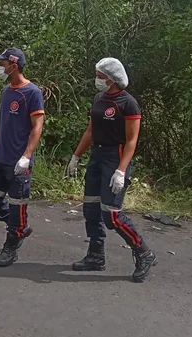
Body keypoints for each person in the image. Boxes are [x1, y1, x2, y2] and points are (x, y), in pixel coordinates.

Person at [66, 57, 157, 282]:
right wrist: (76, 156)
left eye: (100, 76)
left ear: (112, 79)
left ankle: (143, 252)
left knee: (112, 215)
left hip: (114, 158)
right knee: (91, 209)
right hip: (96, 156)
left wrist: (121, 170)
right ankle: (96, 255)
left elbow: (131, 141)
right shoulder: (99, 98)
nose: (96, 80)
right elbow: (90, 131)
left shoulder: (128, 103)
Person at [0, 48, 45, 267]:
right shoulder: (7, 91)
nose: (0, 66)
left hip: (19, 161)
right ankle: (19, 227)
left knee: (18, 204)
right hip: (0, 156)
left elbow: (37, 128)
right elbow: (2, 122)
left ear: (14, 66)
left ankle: (11, 244)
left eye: (3, 62)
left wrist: (27, 156)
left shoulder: (32, 93)